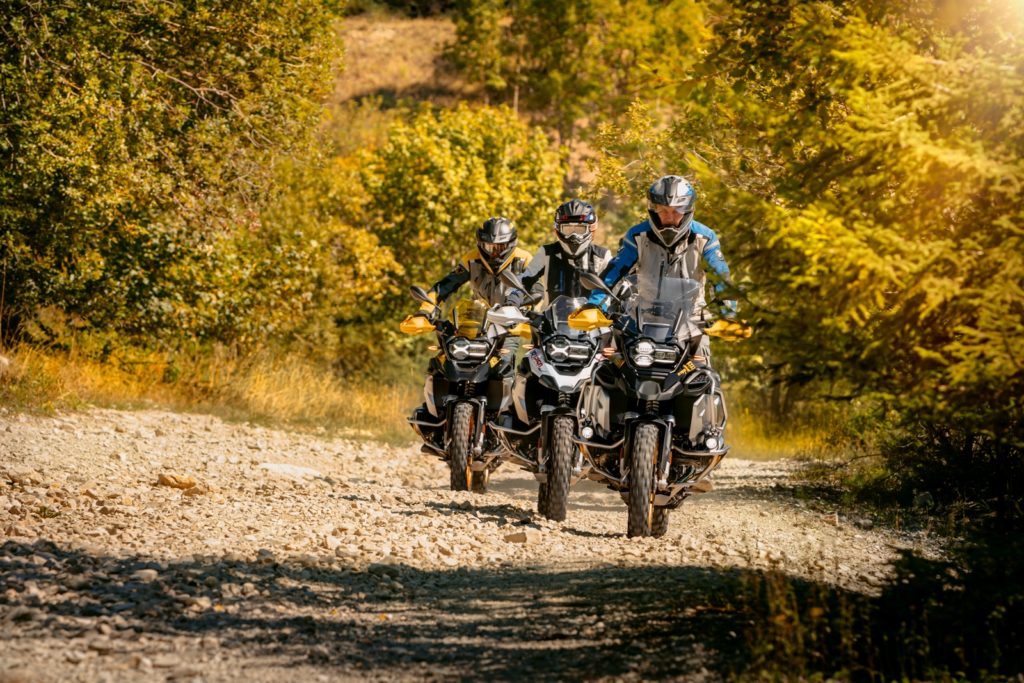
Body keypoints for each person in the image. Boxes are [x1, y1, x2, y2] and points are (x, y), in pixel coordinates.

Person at [583, 175, 737, 365]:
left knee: (704, 375)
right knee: (608, 369)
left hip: (692, 323)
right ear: (653, 209)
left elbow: (721, 277)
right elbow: (614, 272)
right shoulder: (638, 235)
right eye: (663, 210)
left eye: (677, 210)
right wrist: (595, 305)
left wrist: (728, 315)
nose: (669, 217)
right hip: (642, 322)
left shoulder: (705, 238)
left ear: (688, 210)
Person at [510, 199, 611, 310]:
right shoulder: (546, 253)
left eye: (579, 229)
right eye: (568, 229)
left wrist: (601, 307)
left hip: (592, 318)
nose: (574, 235)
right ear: (558, 229)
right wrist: (513, 299)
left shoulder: (602, 256)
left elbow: (612, 287)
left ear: (591, 228)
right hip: (549, 319)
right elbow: (525, 279)